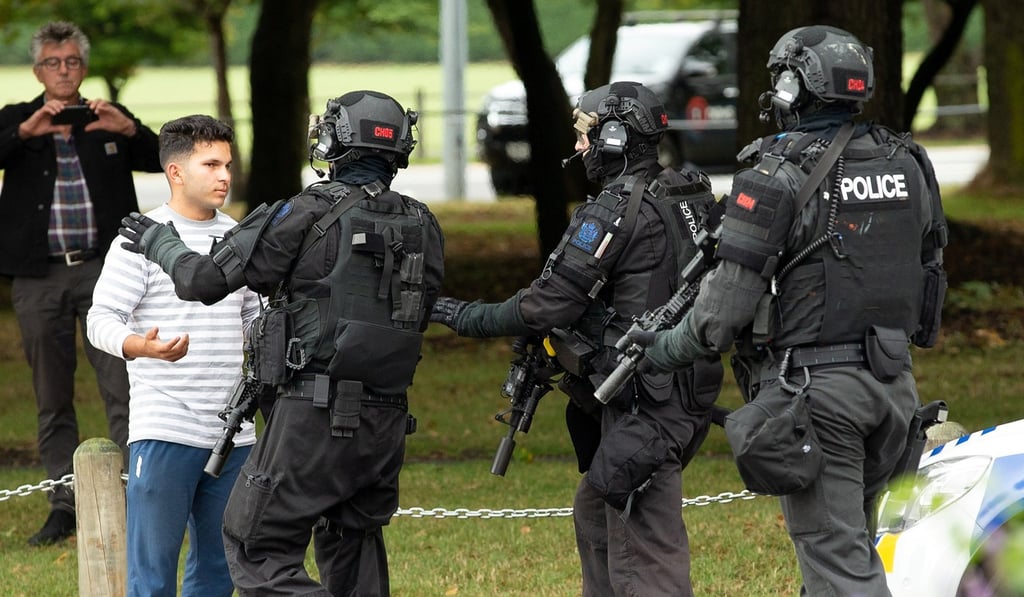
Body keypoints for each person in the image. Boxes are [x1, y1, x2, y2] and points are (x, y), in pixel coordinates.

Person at [636, 26, 948, 596]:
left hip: (818, 398)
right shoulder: (908, 162)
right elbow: (929, 263)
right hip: (895, 389)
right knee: (848, 550)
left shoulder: (774, 172)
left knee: (839, 566)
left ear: (790, 86)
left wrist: (665, 348)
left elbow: (722, 311)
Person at [117, 90, 444, 596]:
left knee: (255, 547)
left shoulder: (307, 211)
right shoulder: (423, 222)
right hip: (386, 424)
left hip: (312, 416)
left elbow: (204, 281)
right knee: (352, 543)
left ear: (334, 141)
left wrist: (160, 242)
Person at [429, 81, 723, 596]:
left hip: (646, 401)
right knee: (595, 509)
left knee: (644, 549)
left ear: (615, 137)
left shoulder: (616, 207)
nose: (579, 147)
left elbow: (547, 304)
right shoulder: (687, 188)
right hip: (686, 388)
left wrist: (458, 314)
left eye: (587, 135)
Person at [0, 20, 161, 546]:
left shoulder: (106, 118)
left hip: (106, 272)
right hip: (39, 277)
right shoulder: (17, 119)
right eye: (53, 62)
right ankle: (64, 503)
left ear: (84, 67)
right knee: (52, 395)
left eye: (71, 61)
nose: (63, 71)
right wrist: (25, 134)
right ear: (37, 70)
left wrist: (127, 129)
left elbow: (163, 159)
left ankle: (138, 498)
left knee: (123, 387)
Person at [86, 115, 260, 597]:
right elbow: (101, 319)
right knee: (152, 575)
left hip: (236, 432)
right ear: (176, 172)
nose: (224, 176)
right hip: (165, 426)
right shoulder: (140, 238)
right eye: (211, 165)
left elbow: (254, 318)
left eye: (227, 165)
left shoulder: (241, 238)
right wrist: (140, 347)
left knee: (220, 571)